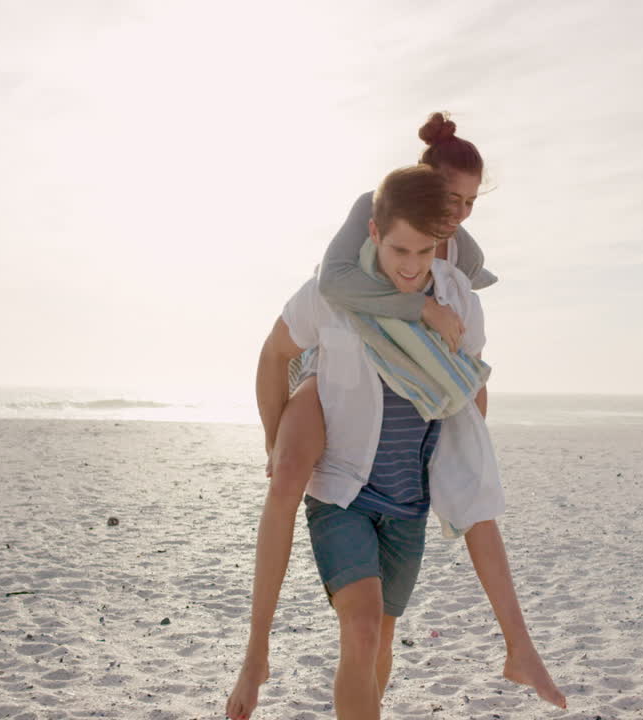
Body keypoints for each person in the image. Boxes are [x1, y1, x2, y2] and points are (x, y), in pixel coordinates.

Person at [226, 116, 564, 719]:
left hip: (407, 500)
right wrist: (273, 436)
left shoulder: (458, 294)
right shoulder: (334, 291)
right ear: (377, 233)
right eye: (398, 248)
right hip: (343, 490)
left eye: (427, 247)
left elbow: (470, 387)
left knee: (379, 641)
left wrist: (467, 458)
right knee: (357, 630)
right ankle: (257, 653)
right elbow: (276, 349)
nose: (412, 262)